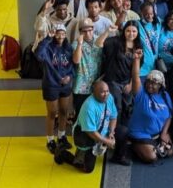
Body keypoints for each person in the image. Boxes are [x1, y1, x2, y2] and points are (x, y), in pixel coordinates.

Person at [54, 81, 118, 173]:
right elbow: (91, 132)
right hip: (86, 135)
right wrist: (107, 141)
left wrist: (111, 132)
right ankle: (62, 153)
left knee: (123, 132)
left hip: (101, 131)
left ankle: (117, 156)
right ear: (94, 93)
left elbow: (113, 117)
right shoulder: (89, 106)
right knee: (87, 168)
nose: (106, 94)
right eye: (102, 92)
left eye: (107, 91)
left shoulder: (109, 98)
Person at [128, 52, 173, 164]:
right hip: (140, 133)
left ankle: (155, 143)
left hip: (158, 134)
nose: (150, 85)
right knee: (152, 158)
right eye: (148, 82)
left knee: (169, 152)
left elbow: (169, 116)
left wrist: (164, 133)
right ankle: (133, 144)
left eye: (154, 83)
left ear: (160, 86)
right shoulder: (141, 94)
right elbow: (135, 78)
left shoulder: (165, 96)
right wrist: (136, 60)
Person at [36, 24, 75, 153]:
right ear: (54, 34)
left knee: (64, 111)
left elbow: (73, 65)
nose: (60, 36)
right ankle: (50, 140)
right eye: (58, 33)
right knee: (52, 113)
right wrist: (47, 38)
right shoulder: (47, 48)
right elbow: (38, 55)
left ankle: (61, 136)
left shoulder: (68, 48)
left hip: (65, 85)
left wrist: (69, 76)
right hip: (51, 85)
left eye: (63, 33)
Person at [102, 21, 143, 123]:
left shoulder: (138, 47)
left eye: (134, 31)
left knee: (127, 108)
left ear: (138, 33)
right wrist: (108, 31)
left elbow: (137, 68)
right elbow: (99, 44)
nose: (131, 33)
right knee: (117, 107)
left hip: (127, 82)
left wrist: (131, 83)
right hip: (113, 81)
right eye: (128, 31)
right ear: (124, 31)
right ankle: (113, 132)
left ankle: (122, 133)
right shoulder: (116, 42)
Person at [71, 19, 113, 116]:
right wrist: (80, 44)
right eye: (84, 31)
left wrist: (107, 31)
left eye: (90, 30)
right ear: (80, 32)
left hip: (97, 84)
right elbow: (76, 60)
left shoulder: (99, 39)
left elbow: (101, 46)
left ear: (93, 29)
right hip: (81, 85)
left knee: (96, 113)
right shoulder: (75, 43)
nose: (88, 33)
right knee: (81, 113)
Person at [137, 2, 162, 77]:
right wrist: (124, 12)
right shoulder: (137, 24)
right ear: (141, 13)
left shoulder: (158, 23)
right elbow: (120, 25)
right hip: (142, 69)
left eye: (151, 13)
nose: (150, 16)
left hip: (154, 67)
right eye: (147, 14)